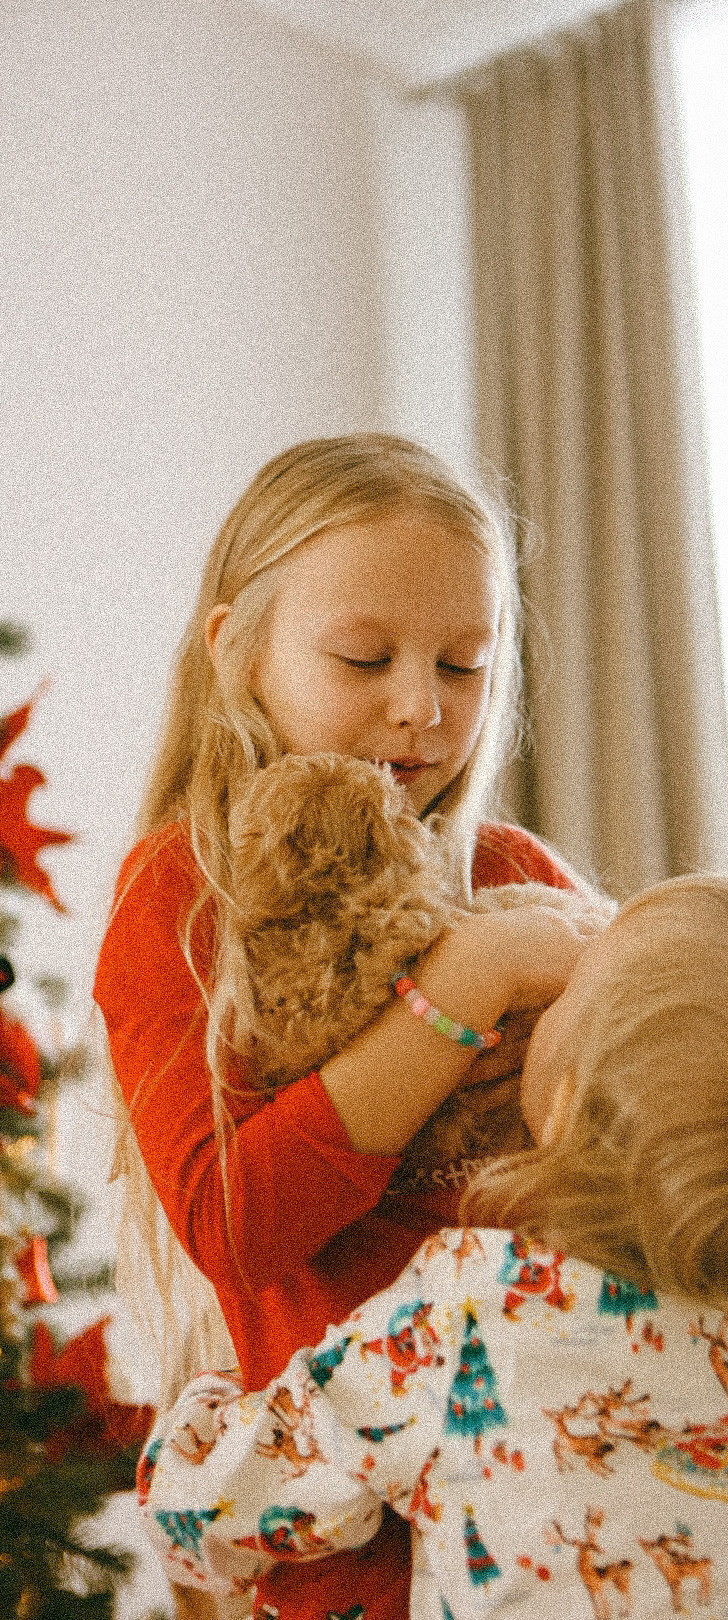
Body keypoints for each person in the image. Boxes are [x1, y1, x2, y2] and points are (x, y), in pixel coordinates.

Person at [94, 434, 591, 1620]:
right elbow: (237, 1220)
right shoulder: (181, 896)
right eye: (365, 657)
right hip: (364, 1572)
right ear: (237, 652)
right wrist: (467, 986)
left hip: (579, 1521)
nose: (421, 706)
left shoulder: (515, 878)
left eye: (465, 666)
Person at [138, 874, 728, 1619]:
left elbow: (228, 1502)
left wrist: (197, 1419)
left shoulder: (470, 1303)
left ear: (566, 1103)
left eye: (572, 986)